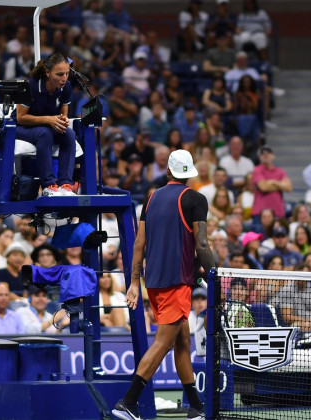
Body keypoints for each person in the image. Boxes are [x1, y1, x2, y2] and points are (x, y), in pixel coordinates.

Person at [112, 149, 213, 420]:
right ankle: (128, 402)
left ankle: (196, 407)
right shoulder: (195, 199)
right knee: (162, 343)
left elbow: (139, 243)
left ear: (168, 172)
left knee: (182, 340)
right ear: (189, 174)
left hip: (154, 283)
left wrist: (134, 282)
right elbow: (202, 244)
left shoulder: (151, 197)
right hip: (176, 282)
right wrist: (215, 274)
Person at [14, 53, 76, 197]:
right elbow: (20, 117)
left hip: (47, 125)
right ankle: (49, 185)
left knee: (69, 134)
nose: (64, 78)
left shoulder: (66, 87)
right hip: (22, 127)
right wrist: (49, 120)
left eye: (67, 73)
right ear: (47, 73)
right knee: (44, 133)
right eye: (60, 74)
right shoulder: (30, 86)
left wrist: (63, 121)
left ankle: (65, 184)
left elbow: (63, 115)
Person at [251, 145, 292, 221]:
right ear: (260, 157)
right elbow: (263, 187)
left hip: (278, 212)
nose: (266, 155)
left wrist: (273, 182)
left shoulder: (280, 171)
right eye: (263, 153)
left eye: (268, 153)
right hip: (260, 213)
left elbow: (289, 188)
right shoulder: (257, 170)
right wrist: (281, 184)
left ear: (273, 156)